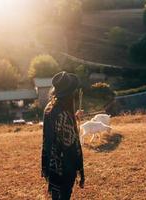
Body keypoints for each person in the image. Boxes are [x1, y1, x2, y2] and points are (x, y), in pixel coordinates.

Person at [41, 71, 85, 200]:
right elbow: (69, 142)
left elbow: (57, 130)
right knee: (65, 195)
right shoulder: (63, 113)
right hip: (64, 164)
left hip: (52, 162)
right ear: (68, 94)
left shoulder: (50, 107)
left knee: (56, 195)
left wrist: (74, 117)